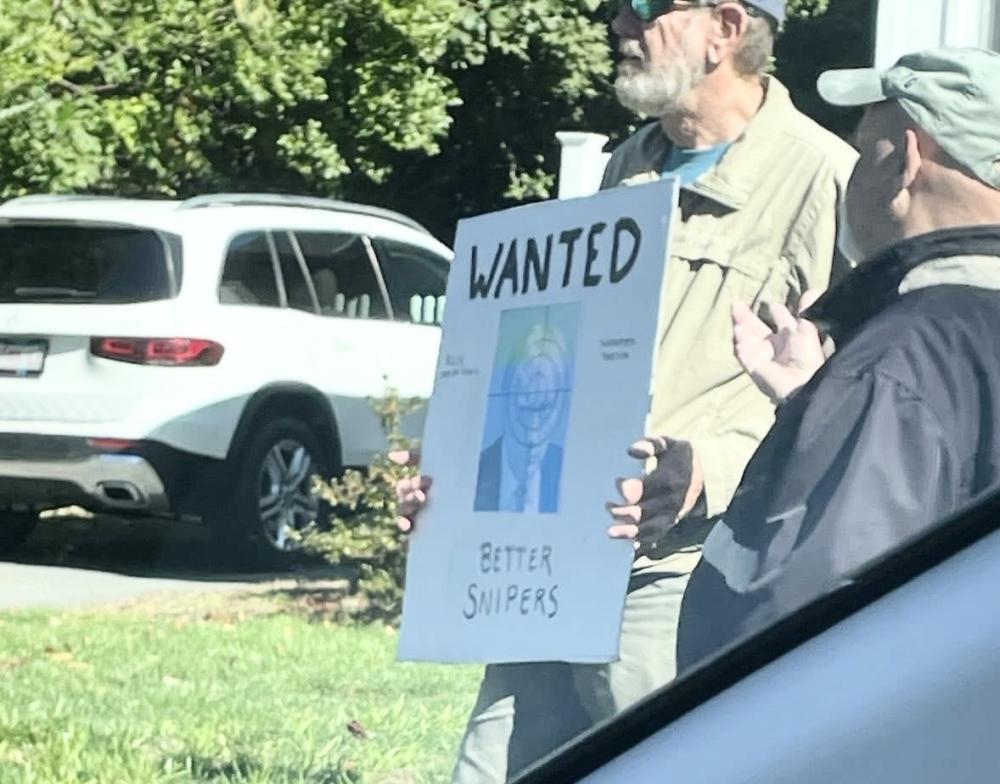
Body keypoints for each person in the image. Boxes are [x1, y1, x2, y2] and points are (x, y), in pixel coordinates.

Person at [398, 0, 856, 779]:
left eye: (643, 6)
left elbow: (847, 401)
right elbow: (556, 366)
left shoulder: (826, 179)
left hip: (685, 569)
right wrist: (460, 479)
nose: (617, 23)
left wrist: (706, 470)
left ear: (726, 28)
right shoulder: (627, 168)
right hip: (559, 559)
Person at [677, 47, 1000, 671]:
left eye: (860, 148)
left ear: (905, 160)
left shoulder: (900, 361)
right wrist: (817, 402)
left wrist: (856, 394)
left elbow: (812, 636)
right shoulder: (914, 361)